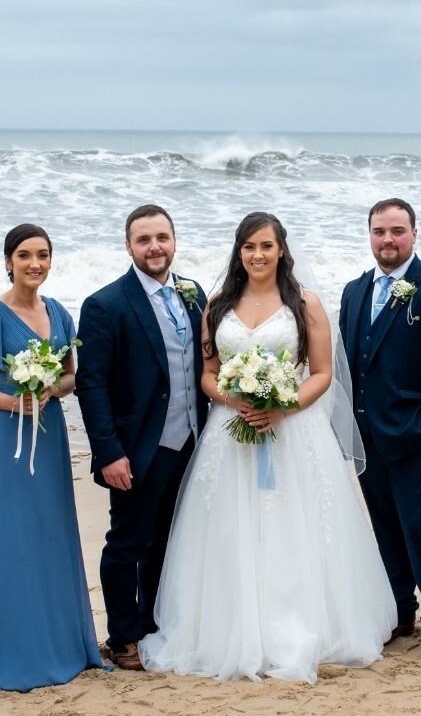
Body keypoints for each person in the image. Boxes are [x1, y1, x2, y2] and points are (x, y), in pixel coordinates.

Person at [138, 211, 397, 684]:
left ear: (281, 250)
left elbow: (322, 374)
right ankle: (228, 628)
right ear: (239, 253)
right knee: (230, 530)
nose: (258, 255)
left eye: (266, 246)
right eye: (249, 247)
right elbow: (208, 375)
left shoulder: (305, 303)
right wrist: (235, 400)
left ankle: (298, 626)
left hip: (294, 431)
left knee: (294, 528)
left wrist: (281, 407)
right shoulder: (216, 304)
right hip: (230, 433)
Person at [0, 224, 105, 691]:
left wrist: (44, 389)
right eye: (24, 255)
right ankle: (11, 652)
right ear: (8, 260)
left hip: (49, 432)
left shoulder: (59, 312)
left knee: (48, 533)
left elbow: (70, 376)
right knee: (9, 538)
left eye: (42, 254)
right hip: (5, 438)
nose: (34, 263)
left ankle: (58, 645)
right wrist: (14, 401)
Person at [76, 204, 208, 671]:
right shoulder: (105, 305)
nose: (155, 247)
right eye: (144, 239)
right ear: (128, 245)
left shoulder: (194, 296)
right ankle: (123, 635)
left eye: (162, 238)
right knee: (127, 542)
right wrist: (109, 452)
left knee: (169, 541)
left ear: (174, 241)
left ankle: (154, 625)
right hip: (137, 448)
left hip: (192, 444)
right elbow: (92, 386)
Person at [340, 198, 421, 663]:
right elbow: (348, 364)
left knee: (420, 525)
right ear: (370, 235)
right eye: (379, 231)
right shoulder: (354, 291)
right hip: (365, 434)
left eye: (397, 231)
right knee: (385, 527)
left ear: (414, 233)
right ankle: (399, 611)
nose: (387, 240)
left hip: (414, 433)